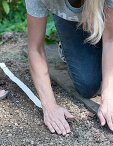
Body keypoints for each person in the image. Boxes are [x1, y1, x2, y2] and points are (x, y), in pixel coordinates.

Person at [25, 0, 113, 136]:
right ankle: (69, 46)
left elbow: (110, 40)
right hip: (72, 19)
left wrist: (108, 99)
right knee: (88, 84)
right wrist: (49, 106)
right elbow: (35, 49)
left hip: (103, 7)